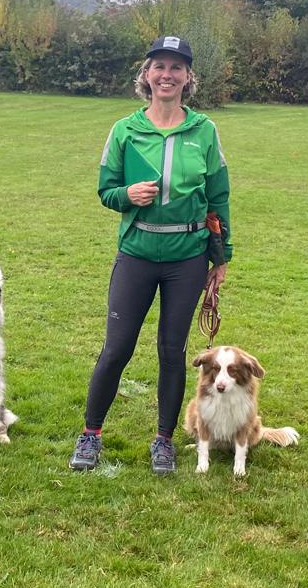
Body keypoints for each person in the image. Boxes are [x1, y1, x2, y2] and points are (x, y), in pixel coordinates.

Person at [70, 35, 231, 475]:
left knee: (172, 351)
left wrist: (221, 258)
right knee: (116, 349)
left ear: (188, 77)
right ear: (146, 74)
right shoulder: (125, 130)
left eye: (176, 67)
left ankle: (164, 441)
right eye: (159, 66)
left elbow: (219, 197)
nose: (167, 75)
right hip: (137, 254)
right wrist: (127, 194)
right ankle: (90, 434)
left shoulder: (204, 131)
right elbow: (106, 190)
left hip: (187, 257)